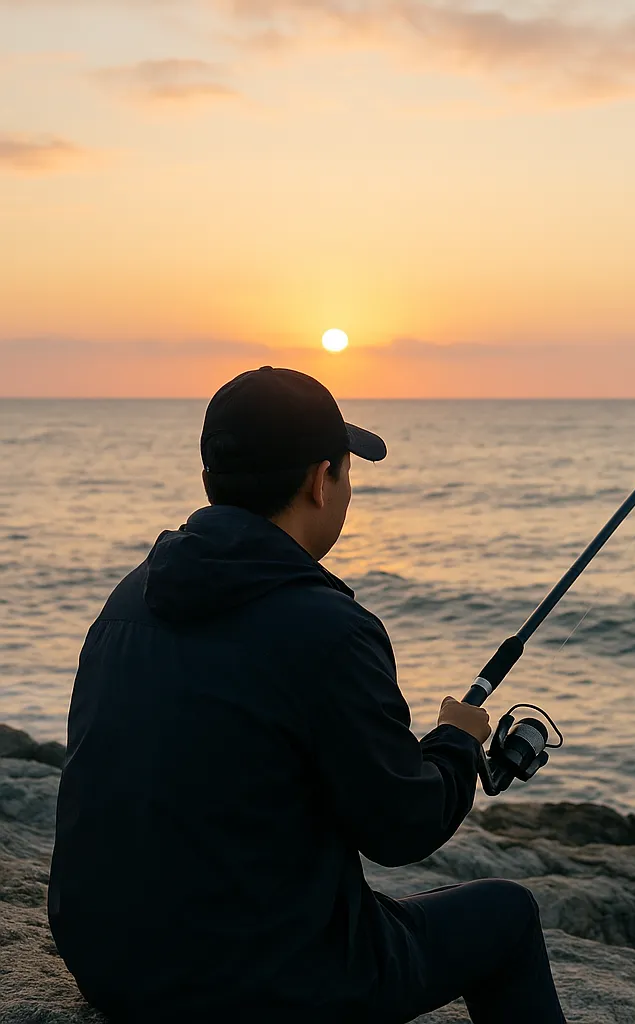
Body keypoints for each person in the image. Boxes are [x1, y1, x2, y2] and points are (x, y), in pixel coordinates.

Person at [48, 366, 566, 1024]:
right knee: (508, 915)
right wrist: (458, 742)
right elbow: (402, 826)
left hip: (106, 957)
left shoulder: (129, 598)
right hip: (256, 985)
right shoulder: (329, 631)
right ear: (322, 481)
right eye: (346, 471)